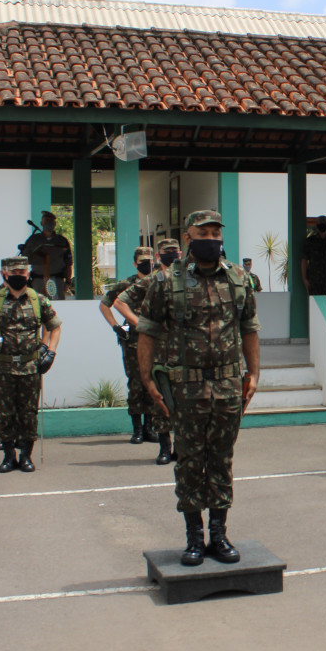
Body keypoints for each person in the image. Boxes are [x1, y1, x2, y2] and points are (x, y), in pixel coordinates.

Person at [138, 211, 261, 566]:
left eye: (215, 232)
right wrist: (147, 379)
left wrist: (254, 374)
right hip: (186, 387)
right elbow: (147, 329)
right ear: (189, 237)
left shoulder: (238, 278)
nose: (211, 238)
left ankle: (219, 536)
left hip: (227, 384)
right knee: (190, 462)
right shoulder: (166, 282)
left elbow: (249, 327)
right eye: (203, 233)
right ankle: (194, 537)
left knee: (221, 460)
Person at [0, 256, 61, 473]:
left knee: (29, 412)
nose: (19, 276)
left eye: (22, 273)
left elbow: (54, 326)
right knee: (5, 413)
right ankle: (9, 456)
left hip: (30, 366)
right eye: (14, 273)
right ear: (4, 275)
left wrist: (50, 352)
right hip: (3, 366)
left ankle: (26, 456)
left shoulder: (38, 300)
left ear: (28, 274)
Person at [115, 239, 180, 464]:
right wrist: (141, 325)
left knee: (184, 400)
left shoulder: (192, 279)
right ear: (159, 256)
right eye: (166, 252)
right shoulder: (154, 280)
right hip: (159, 349)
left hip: (185, 350)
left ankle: (180, 448)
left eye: (174, 251)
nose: (171, 255)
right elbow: (119, 302)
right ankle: (164, 447)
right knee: (159, 397)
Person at [100, 246, 158, 445]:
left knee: (152, 383)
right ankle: (137, 430)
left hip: (155, 341)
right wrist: (116, 326)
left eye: (150, 259)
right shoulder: (126, 284)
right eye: (142, 260)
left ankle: (150, 427)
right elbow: (104, 304)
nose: (146, 263)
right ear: (135, 263)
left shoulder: (159, 281)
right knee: (135, 384)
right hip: (133, 341)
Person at [19, 210, 72, 299]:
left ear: (55, 224)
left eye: (51, 221)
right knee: (38, 307)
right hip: (38, 280)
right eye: (46, 221)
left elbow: (69, 263)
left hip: (57, 280)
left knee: (57, 307)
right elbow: (24, 259)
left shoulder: (62, 241)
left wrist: (68, 282)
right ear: (41, 223)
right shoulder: (33, 240)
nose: (49, 223)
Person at [302, 215, 326, 296]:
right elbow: (304, 260)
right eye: (320, 223)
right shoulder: (310, 241)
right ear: (317, 225)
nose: (322, 225)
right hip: (314, 282)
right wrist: (304, 279)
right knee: (314, 306)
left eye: (324, 223)